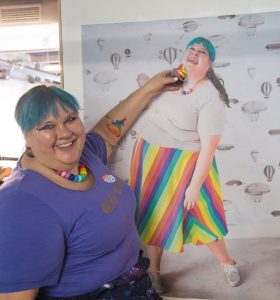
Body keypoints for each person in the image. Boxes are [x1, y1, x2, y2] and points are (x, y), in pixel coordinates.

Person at [0, 71, 180, 300]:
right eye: (47, 126)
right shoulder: (21, 203)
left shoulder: (85, 155)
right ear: (26, 135)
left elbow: (108, 129)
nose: (65, 132)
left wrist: (150, 89)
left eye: (70, 119)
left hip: (136, 285)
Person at [129, 37, 241, 294]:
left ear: (209, 64)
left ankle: (227, 262)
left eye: (202, 52)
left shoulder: (210, 97)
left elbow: (208, 149)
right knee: (153, 215)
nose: (194, 52)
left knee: (202, 215)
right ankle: (154, 271)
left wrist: (193, 186)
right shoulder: (170, 79)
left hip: (186, 162)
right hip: (149, 155)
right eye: (192, 48)